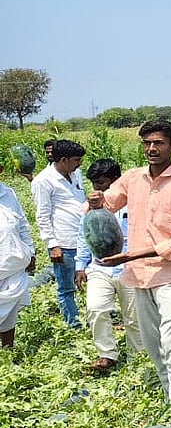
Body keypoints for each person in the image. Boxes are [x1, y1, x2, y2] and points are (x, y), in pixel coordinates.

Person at [89, 120, 171, 424]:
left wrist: (130, 254)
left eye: (159, 143)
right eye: (147, 143)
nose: (152, 148)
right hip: (138, 276)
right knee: (153, 345)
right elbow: (108, 204)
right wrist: (95, 202)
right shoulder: (132, 179)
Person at [77, 159, 143, 373]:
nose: (98, 189)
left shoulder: (135, 201)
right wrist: (80, 266)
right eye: (94, 184)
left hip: (129, 266)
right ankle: (107, 354)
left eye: (102, 183)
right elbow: (83, 235)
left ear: (115, 181)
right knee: (95, 308)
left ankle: (138, 356)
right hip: (100, 267)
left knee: (133, 315)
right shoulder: (90, 207)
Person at [31, 139, 87, 329]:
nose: (79, 163)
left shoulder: (75, 173)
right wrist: (52, 244)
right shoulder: (43, 181)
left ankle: (93, 318)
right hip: (63, 242)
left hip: (82, 238)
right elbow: (42, 216)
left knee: (88, 280)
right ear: (64, 160)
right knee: (66, 287)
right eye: (77, 160)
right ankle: (74, 325)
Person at [0, 179, 35, 349]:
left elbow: (22, 225)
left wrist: (31, 252)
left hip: (13, 262)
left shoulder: (9, 193)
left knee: (10, 314)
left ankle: (8, 350)